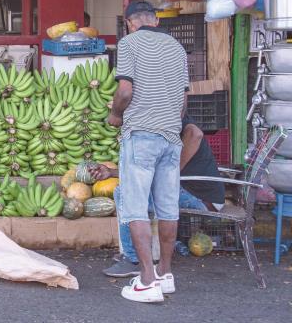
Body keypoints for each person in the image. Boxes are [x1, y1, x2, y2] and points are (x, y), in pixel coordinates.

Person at [107, 0, 188, 303]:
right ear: (155, 20)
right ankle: (165, 274)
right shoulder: (177, 49)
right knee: (168, 208)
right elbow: (182, 103)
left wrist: (116, 115)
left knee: (135, 208)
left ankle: (146, 280)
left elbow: (125, 91)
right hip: (171, 137)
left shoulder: (128, 44)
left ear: (130, 23)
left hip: (141, 135)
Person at [95, 115, 226, 278]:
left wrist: (173, 171)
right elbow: (144, 171)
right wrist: (111, 173)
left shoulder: (170, 118)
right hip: (187, 190)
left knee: (125, 192)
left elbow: (195, 134)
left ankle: (134, 259)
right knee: (126, 189)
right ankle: (143, 256)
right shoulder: (159, 127)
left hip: (201, 198)